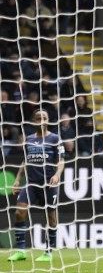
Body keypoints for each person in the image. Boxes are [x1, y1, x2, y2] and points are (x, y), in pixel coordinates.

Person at [8, 110, 64, 262]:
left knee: (51, 217)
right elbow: (25, 161)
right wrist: (18, 179)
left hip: (48, 184)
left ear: (48, 120)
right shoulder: (29, 139)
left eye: (44, 117)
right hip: (31, 184)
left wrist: (57, 174)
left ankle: (48, 252)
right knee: (20, 212)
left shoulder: (55, 138)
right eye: (38, 117)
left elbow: (61, 161)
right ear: (34, 121)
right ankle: (20, 251)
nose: (41, 120)